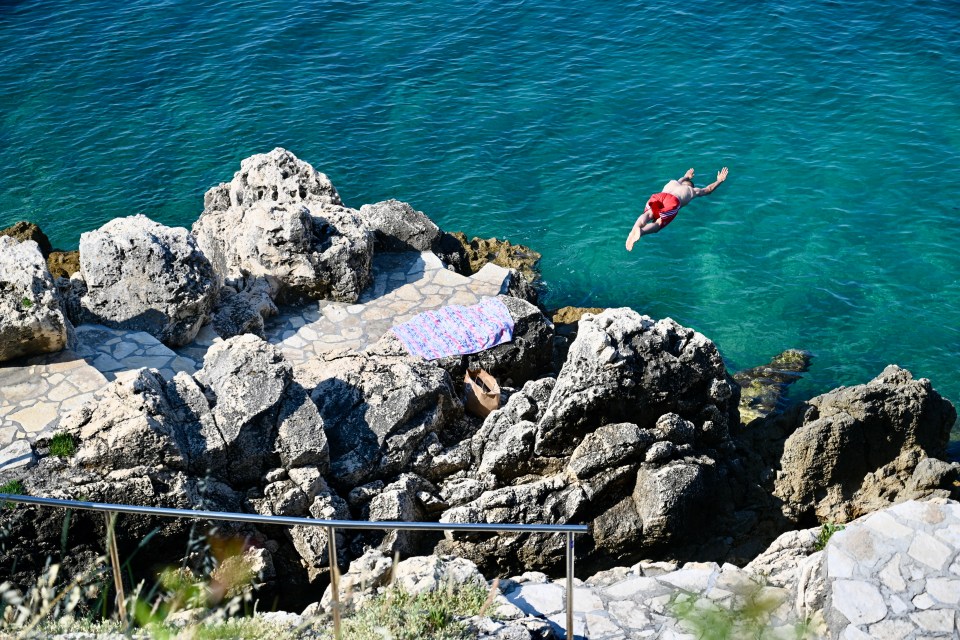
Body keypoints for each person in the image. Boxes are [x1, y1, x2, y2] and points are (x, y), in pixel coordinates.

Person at [625, 167, 729, 250]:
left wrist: (687, 176)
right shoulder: (692, 190)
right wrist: (719, 181)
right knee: (658, 224)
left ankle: (635, 228)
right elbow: (708, 189)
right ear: (691, 186)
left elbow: (683, 178)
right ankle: (641, 232)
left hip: (659, 196)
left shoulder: (675, 182)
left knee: (649, 214)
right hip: (672, 201)